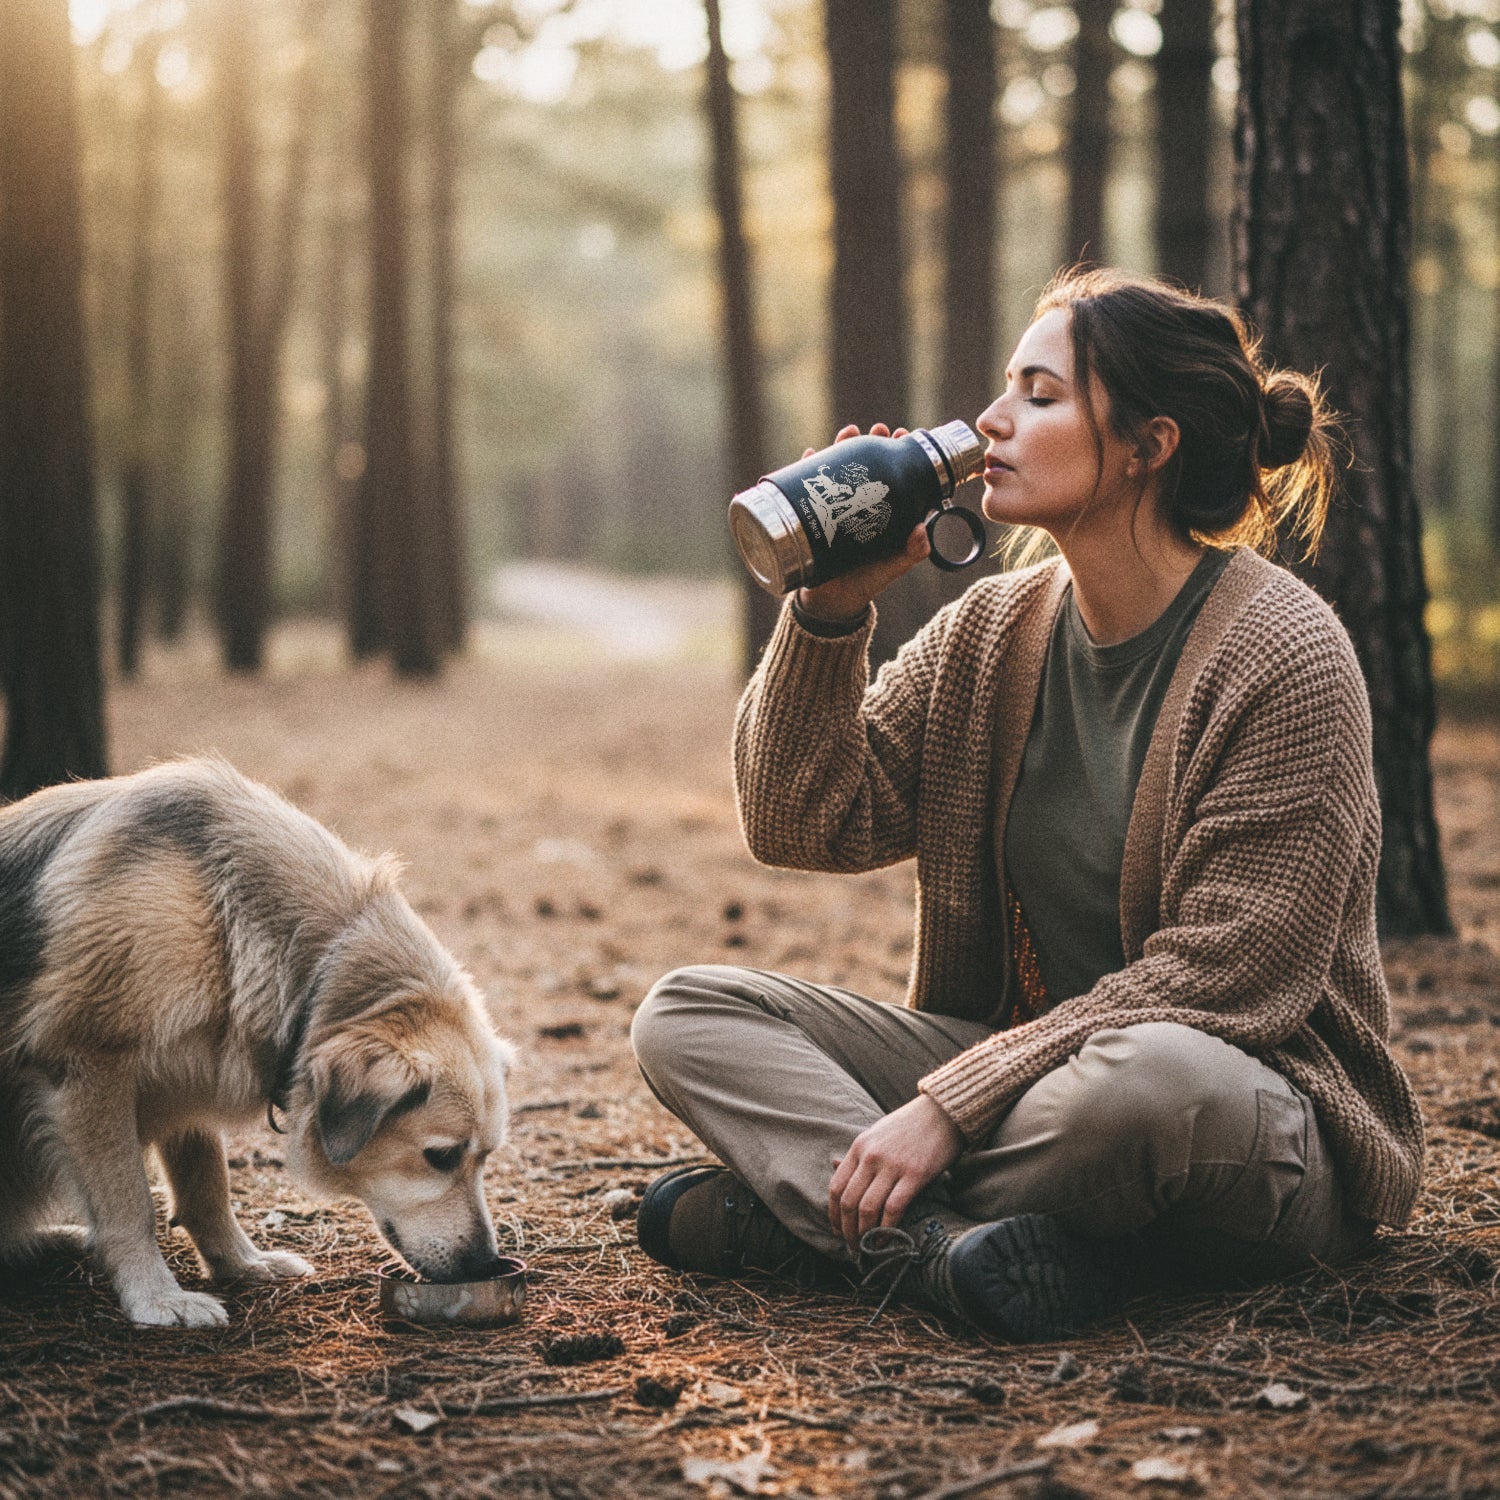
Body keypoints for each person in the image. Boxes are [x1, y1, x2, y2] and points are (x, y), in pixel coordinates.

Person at [628, 267, 1425, 1341]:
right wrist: (827, 611)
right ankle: (933, 1250)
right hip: (1029, 1084)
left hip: (1244, 1109)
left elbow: (1226, 977)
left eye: (1040, 395)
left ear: (1150, 444)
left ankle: (809, 1219)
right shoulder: (992, 630)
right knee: (689, 1011)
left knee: (1143, 1086)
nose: (990, 421)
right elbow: (802, 821)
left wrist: (946, 1108)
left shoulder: (1283, 655)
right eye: (1008, 388)